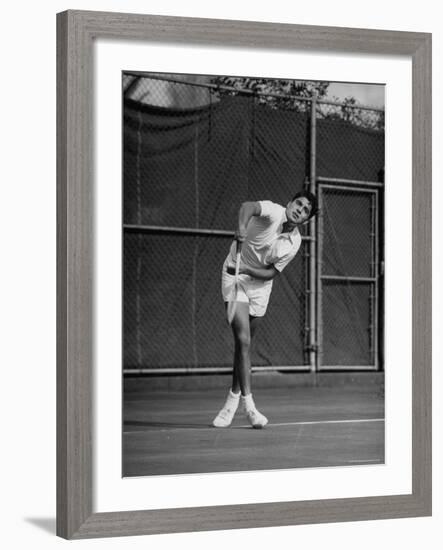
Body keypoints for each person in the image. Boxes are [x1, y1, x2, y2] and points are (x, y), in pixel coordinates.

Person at [212, 191, 318, 429]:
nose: (299, 210)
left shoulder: (295, 242)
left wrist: (250, 271)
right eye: (298, 204)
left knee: (244, 347)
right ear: (290, 203)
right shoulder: (272, 210)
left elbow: (271, 273)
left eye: (304, 211)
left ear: (305, 220)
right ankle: (250, 408)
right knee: (244, 340)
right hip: (234, 274)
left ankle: (231, 402)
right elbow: (247, 205)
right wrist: (241, 225)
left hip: (260, 287)